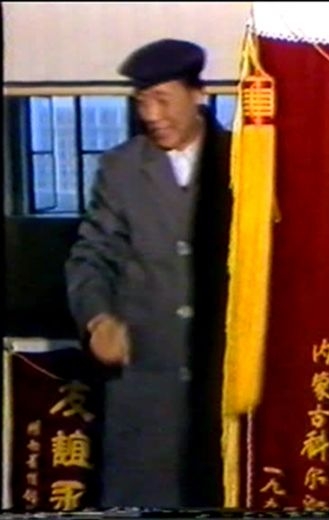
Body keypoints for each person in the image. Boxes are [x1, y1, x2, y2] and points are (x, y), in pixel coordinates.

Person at [65, 38, 233, 508]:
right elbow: (91, 256)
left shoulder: (245, 163)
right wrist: (98, 319)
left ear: (198, 94)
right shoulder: (120, 168)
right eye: (142, 101)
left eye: (162, 99)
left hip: (223, 390)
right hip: (144, 390)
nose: (151, 114)